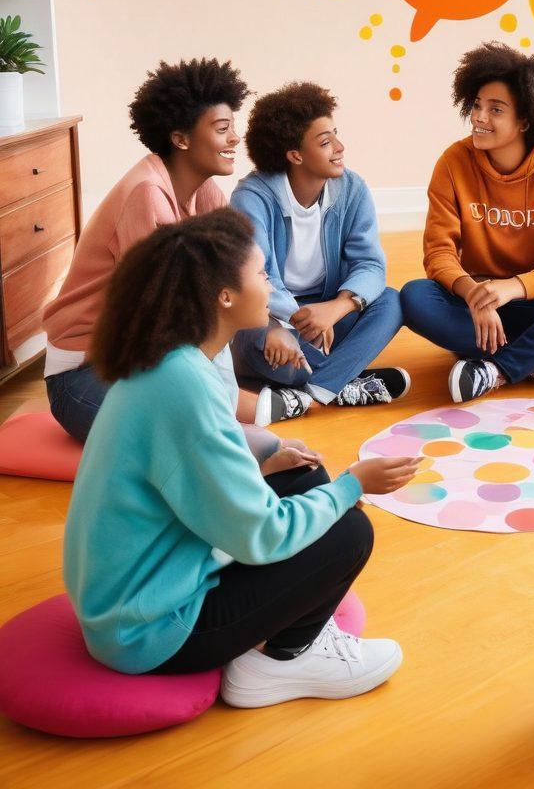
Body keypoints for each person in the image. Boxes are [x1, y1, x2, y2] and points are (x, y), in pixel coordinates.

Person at [64, 209, 419, 707]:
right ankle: (282, 664)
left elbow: (193, 462)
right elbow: (262, 534)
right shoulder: (183, 385)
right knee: (349, 531)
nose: (270, 282)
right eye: (261, 274)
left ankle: (291, 641)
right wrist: (354, 485)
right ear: (224, 296)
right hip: (149, 631)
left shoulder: (180, 357)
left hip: (139, 590)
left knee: (303, 474)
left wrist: (266, 463)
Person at [42, 58, 287, 440]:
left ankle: (235, 403)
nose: (235, 139)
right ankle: (231, 406)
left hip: (149, 359)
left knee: (259, 338)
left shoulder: (204, 190)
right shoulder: (145, 194)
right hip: (87, 372)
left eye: (233, 128)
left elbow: (236, 276)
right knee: (198, 436)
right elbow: (163, 315)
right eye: (223, 130)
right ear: (181, 138)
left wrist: (272, 324)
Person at [400, 42, 534, 403]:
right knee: (414, 296)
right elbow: (438, 253)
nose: (479, 117)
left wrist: (510, 288)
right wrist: (475, 294)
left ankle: (494, 369)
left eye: (496, 110)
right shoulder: (453, 162)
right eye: (477, 106)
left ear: (525, 120)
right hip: (475, 306)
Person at [230, 82, 407, 420]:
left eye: (336, 136)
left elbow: (369, 264)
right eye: (325, 142)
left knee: (391, 301)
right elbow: (254, 276)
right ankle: (345, 381)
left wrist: (336, 308)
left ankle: (313, 390)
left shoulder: (351, 188)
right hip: (271, 316)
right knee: (253, 336)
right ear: (295, 155)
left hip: (326, 316)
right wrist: (281, 322)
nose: (340, 148)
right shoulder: (252, 197)